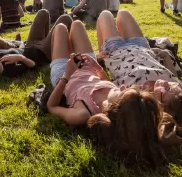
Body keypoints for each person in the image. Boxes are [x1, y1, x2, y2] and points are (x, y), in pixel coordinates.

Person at [47, 21, 165, 165]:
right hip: (88, 67)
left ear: (116, 109)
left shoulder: (83, 113)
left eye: (122, 93)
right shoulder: (116, 97)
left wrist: (67, 74)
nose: (122, 88)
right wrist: (97, 68)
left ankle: (48, 52)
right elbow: (104, 82)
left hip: (63, 74)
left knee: (60, 28)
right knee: (77, 24)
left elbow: (52, 106)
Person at [0, 9, 73, 79]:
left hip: (29, 44)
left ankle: (50, 38)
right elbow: (34, 67)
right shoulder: (9, 70)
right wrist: (21, 58)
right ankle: (60, 43)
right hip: (43, 53)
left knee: (43, 13)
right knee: (65, 19)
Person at [96, 10, 181, 88]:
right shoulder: (177, 93)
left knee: (105, 15)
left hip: (116, 53)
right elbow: (175, 81)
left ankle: (100, 61)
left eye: (164, 91)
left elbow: (108, 88)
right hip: (142, 49)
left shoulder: (134, 98)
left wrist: (98, 66)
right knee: (123, 13)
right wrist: (166, 57)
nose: (166, 85)